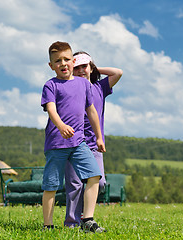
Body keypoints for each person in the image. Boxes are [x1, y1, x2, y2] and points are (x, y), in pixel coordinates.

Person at [41, 41, 106, 233]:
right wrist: (60, 125)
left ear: (73, 60)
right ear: (51, 66)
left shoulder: (84, 84)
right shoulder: (50, 85)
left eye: (67, 59)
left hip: (79, 143)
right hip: (56, 144)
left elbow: (92, 111)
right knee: (51, 185)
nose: (63, 63)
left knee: (94, 175)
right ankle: (48, 225)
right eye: (58, 61)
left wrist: (99, 137)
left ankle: (88, 220)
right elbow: (51, 109)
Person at [64, 52, 123, 227]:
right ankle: (72, 223)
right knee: (74, 185)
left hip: (95, 145)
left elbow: (117, 72)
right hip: (73, 143)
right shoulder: (69, 88)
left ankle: (85, 216)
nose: (81, 70)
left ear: (91, 67)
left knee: (100, 182)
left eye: (85, 66)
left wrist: (95, 67)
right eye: (77, 67)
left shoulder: (100, 87)